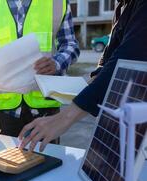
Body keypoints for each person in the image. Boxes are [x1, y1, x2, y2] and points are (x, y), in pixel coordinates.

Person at [19, 0, 147, 152]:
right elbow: (109, 60)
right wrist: (91, 85)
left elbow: (128, 60)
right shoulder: (123, 5)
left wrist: (66, 117)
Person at [0, 0, 80, 138]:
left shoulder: (56, 3)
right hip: (7, 108)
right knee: (9, 158)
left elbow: (70, 45)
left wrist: (56, 63)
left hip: (44, 106)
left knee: (48, 158)